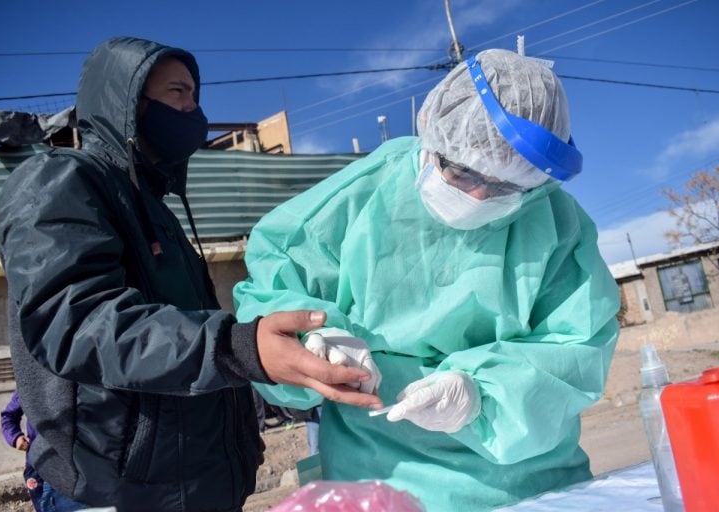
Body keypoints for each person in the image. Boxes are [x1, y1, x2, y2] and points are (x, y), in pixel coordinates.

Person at [0, 36, 381, 512]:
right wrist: (238, 346)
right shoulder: (61, 181)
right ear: (128, 103)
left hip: (196, 487)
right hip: (114, 491)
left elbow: (188, 353)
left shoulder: (157, 209)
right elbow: (77, 322)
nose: (193, 110)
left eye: (195, 96)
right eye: (178, 92)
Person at [234, 49, 620, 511]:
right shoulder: (353, 202)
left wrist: (482, 395)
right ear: (433, 136)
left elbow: (576, 347)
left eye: (504, 186)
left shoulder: (557, 226)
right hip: (380, 482)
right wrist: (315, 338)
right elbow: (274, 294)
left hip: (529, 482)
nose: (478, 195)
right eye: (461, 171)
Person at [1, 390, 44, 512]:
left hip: (74, 467)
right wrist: (15, 438)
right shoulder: (30, 381)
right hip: (38, 466)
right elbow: (8, 416)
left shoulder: (78, 379)